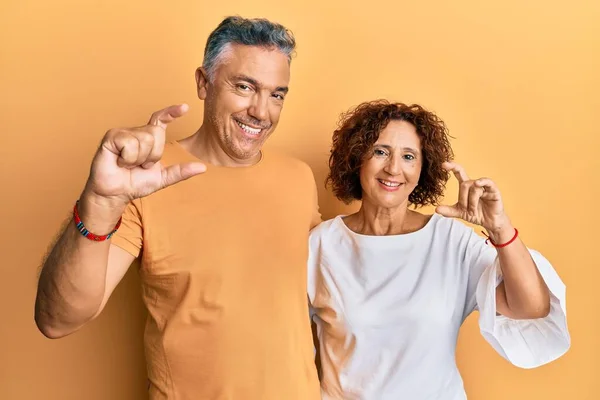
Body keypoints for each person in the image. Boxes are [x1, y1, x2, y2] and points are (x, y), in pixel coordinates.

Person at [35, 16, 321, 400]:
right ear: (204, 83)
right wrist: (100, 201)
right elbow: (56, 320)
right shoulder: (147, 178)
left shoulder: (299, 178)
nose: (261, 111)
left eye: (277, 94)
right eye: (244, 87)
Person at [308, 100, 570, 399]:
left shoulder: (450, 241)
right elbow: (291, 350)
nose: (393, 168)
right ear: (357, 159)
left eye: (409, 156)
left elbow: (532, 308)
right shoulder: (321, 245)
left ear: (423, 168)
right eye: (380, 152)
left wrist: (500, 229)